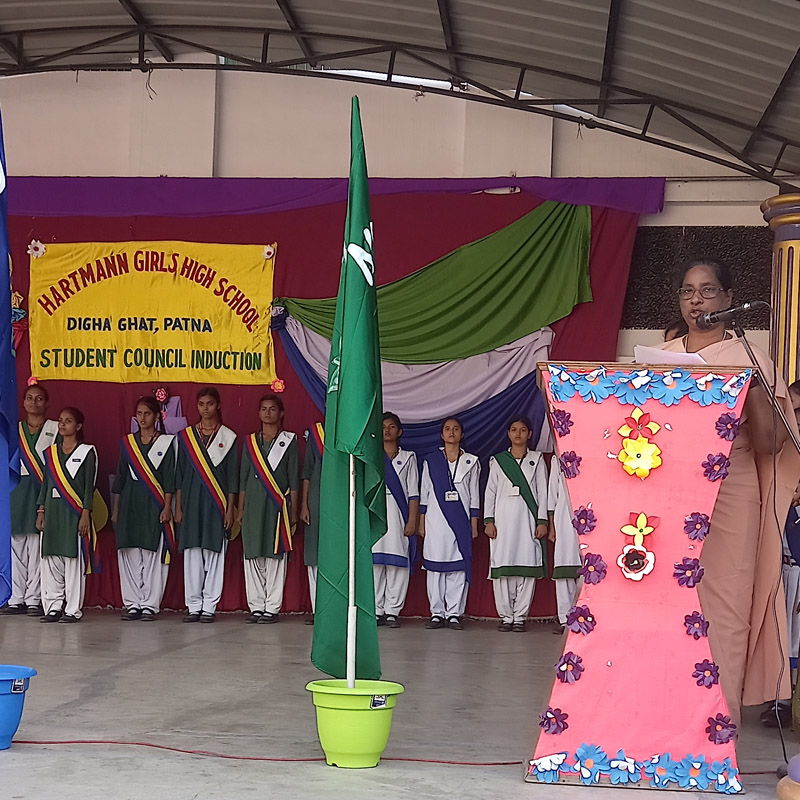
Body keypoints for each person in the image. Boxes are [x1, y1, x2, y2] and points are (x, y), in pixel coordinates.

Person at [657, 257, 800, 724]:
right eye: (687, 291)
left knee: (727, 601)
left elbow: (769, 443)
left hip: (732, 489)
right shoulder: (657, 355)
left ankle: (718, 722)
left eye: (707, 290)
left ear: (729, 299)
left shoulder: (748, 354)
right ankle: (664, 713)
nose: (696, 299)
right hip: (668, 491)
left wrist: (755, 387)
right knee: (668, 597)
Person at [175, 387, 237, 623]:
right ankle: (193, 605)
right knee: (192, 553)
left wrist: (230, 508)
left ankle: (209, 606)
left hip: (217, 504)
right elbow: (179, 476)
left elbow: (232, 478)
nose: (205, 408)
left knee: (214, 553)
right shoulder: (187, 437)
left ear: (218, 405)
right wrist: (178, 507)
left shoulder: (228, 437)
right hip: (191, 503)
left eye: (210, 403)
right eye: (201, 404)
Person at [111, 396, 176, 621]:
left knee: (151, 554)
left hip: (153, 504)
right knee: (129, 553)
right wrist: (116, 508)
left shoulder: (166, 443)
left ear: (157, 416)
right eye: (139, 414)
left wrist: (167, 507)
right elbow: (120, 478)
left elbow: (170, 479)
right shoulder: (128, 443)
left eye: (147, 414)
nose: (142, 418)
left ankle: (149, 603)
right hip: (130, 503)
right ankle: (132, 603)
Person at [484, 416, 548, 632]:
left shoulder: (537, 460)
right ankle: (506, 616)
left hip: (527, 520)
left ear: (529, 434)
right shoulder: (498, 460)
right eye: (513, 430)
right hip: (502, 521)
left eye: (522, 430)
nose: (517, 434)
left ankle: (520, 616)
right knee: (502, 567)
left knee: (526, 566)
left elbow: (543, 492)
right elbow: (490, 491)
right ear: (508, 434)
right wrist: (489, 520)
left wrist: (542, 521)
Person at [237, 394, 298, 624]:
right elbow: (243, 480)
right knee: (252, 554)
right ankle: (256, 606)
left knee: (274, 556)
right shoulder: (250, 442)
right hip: (252, 505)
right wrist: (240, 509)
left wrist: (293, 512)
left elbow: (293, 478)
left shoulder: (288, 441)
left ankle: (271, 607)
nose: (268, 413)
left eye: (272, 409)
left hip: (277, 506)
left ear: (281, 413)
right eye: (263, 409)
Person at [2, 383, 59, 616]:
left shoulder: (56, 429)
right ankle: (16, 598)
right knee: (14, 547)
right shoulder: (13, 430)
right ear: (23, 402)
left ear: (46, 403)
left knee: (36, 549)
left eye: (38, 399)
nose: (33, 403)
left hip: (41, 496)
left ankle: (34, 599)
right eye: (29, 398)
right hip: (15, 493)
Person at [35, 407, 97, 623]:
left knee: (72, 561)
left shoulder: (87, 452)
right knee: (50, 559)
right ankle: (52, 606)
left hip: (74, 513)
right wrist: (41, 510)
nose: (62, 424)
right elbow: (46, 483)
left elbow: (89, 487)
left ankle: (72, 609)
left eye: (68, 421)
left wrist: (86, 514)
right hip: (52, 511)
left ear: (78, 426)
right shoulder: (51, 452)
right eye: (60, 420)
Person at [419, 417, 480, 630]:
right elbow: (424, 493)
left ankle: (454, 613)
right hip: (435, 521)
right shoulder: (431, 460)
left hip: (461, 521)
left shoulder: (471, 461)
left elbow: (474, 495)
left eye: (455, 429)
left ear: (462, 434)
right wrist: (421, 522)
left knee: (458, 568)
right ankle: (437, 613)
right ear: (442, 435)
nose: (451, 432)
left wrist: (474, 524)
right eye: (447, 429)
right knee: (435, 568)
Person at [373, 412, 419, 628]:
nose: (387, 430)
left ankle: (392, 610)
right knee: (375, 564)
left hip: (399, 515)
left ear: (399, 431)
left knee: (397, 564)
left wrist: (412, 520)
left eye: (392, 426)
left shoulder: (409, 458)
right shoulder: (371, 456)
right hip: (376, 515)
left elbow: (413, 493)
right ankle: (375, 609)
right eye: (383, 426)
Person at [548, 452, 582, 634]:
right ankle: (565, 618)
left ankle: (584, 615)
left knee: (588, 565)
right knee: (564, 564)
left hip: (589, 512)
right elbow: (553, 494)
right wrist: (552, 525)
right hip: (563, 515)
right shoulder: (558, 458)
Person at [300, 421, 324, 625]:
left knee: (338, 556)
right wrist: (304, 504)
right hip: (316, 501)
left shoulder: (350, 430)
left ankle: (338, 609)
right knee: (315, 554)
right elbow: (307, 472)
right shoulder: (317, 433)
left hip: (342, 501)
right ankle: (319, 610)